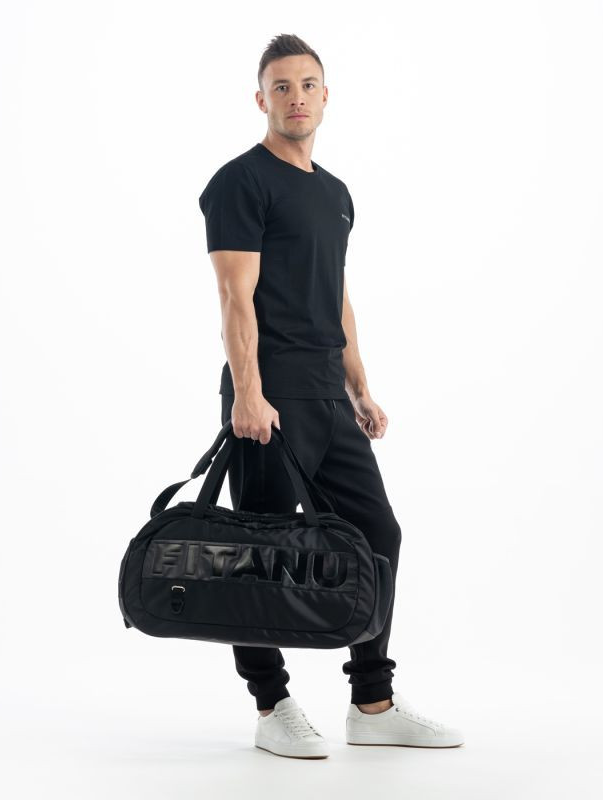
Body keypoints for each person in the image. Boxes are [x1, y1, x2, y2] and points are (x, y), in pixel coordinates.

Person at [198, 33, 464, 759]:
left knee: (377, 535)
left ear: (326, 95)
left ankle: (372, 703)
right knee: (261, 551)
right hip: (268, 399)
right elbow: (234, 296)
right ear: (260, 99)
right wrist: (248, 394)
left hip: (327, 395)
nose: (296, 98)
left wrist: (361, 386)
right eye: (281, 86)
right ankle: (271, 704)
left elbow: (336, 294)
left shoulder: (335, 192)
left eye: (308, 85)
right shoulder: (239, 183)